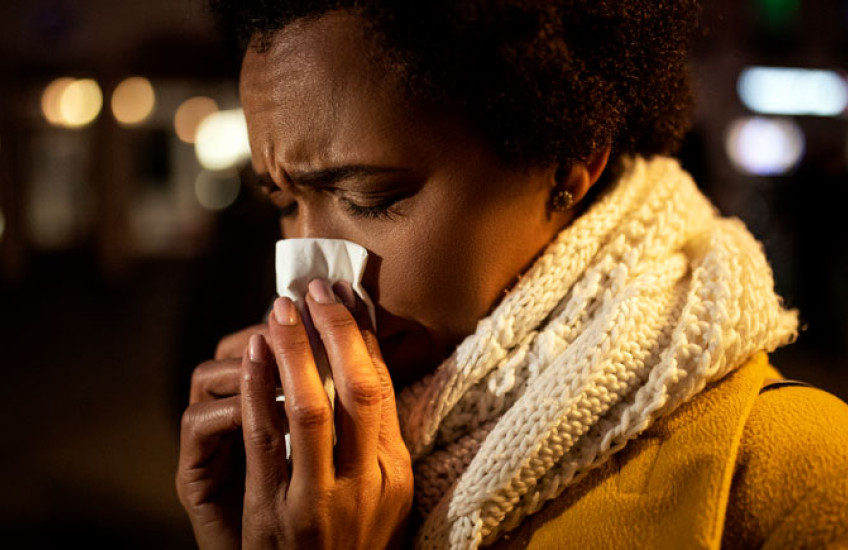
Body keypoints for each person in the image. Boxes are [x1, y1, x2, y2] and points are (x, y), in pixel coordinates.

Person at [176, 2, 848, 548]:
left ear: (564, 160)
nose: (311, 280)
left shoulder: (799, 474)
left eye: (372, 198)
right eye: (285, 204)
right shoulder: (309, 490)